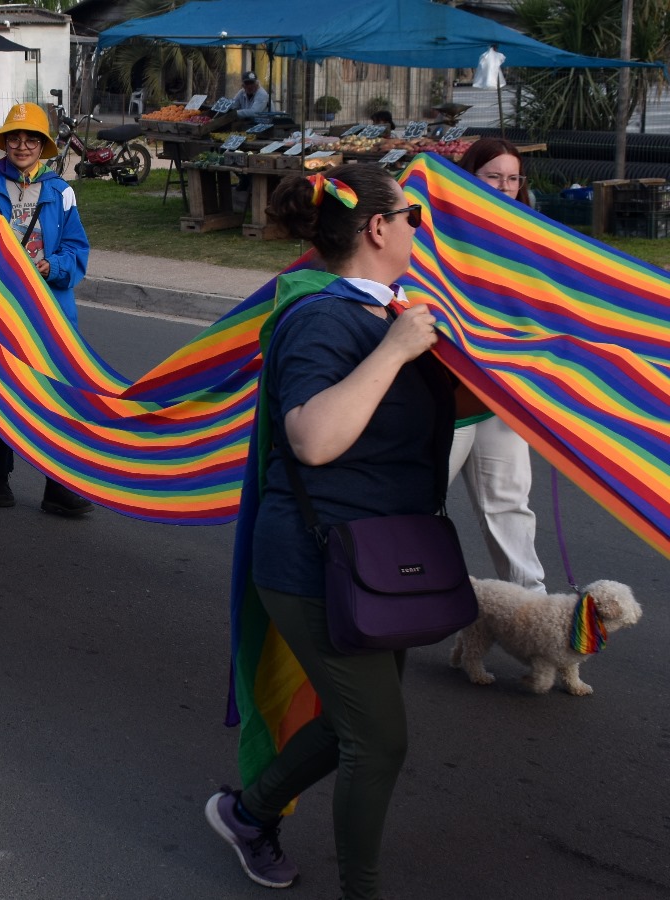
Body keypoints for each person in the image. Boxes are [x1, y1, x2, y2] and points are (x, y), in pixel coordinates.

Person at [208, 163, 449, 900]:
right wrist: (396, 350)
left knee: (356, 722)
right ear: (378, 228)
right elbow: (311, 437)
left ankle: (247, 815)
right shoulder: (318, 315)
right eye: (411, 216)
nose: (418, 228)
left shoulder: (388, 314)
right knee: (378, 739)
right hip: (318, 562)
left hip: (378, 562)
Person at [0, 102, 91, 516]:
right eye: (14, 138)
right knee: (1, 392)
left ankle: (58, 486)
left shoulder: (61, 192)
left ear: (43, 145)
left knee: (57, 398)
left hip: (51, 313)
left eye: (31, 138)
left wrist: (52, 265)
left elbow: (76, 248)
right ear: (5, 143)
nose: (22, 145)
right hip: (2, 309)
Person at [447, 138, 544, 591]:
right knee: (411, 507)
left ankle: (537, 619)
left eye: (513, 178)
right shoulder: (440, 229)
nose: (505, 186)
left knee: (510, 509)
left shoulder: (533, 236)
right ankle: (389, 603)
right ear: (470, 175)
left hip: (501, 399)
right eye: (493, 176)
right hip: (443, 398)